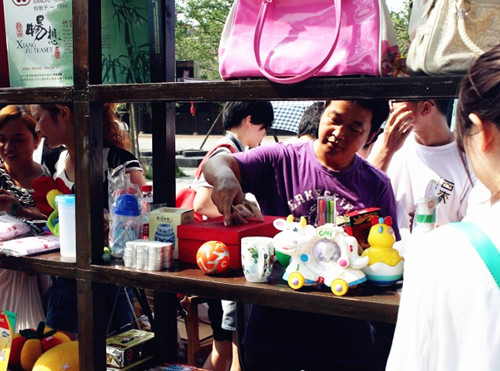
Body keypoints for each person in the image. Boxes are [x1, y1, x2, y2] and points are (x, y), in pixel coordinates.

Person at [203, 99, 399, 370]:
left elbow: (386, 258)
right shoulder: (281, 158)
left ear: (372, 135)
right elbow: (219, 162)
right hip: (274, 334)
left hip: (345, 341)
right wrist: (225, 178)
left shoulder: (376, 184)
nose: (339, 133)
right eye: (335, 119)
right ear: (323, 112)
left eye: (355, 128)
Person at [386, 43, 500, 371]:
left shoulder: (443, 252)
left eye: (396, 100)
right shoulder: (392, 149)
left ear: (481, 131)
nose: (390, 108)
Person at [30, 103, 147, 336]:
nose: (36, 127)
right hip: (64, 283)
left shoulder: (118, 161)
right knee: (59, 353)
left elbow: (143, 219)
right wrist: (19, 210)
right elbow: (56, 219)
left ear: (63, 113)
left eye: (38, 117)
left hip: (108, 285)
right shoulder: (57, 161)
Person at [193, 101, 274, 371]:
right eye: (264, 128)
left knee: (225, 351)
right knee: (231, 352)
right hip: (221, 257)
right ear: (250, 120)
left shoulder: (230, 150)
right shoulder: (226, 153)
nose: (264, 135)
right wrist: (243, 210)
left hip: (220, 258)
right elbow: (202, 204)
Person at [368, 98, 474, 249]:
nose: (391, 107)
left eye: (397, 100)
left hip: (435, 265)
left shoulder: (469, 160)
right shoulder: (387, 142)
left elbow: (475, 233)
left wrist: (435, 231)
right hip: (384, 265)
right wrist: (385, 150)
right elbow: (360, 199)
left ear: (425, 108)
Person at [0, 105, 51, 332]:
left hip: (40, 268)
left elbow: (56, 222)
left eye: (18, 139)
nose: (8, 148)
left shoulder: (49, 179)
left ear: (37, 140)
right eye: (1, 139)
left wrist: (20, 211)